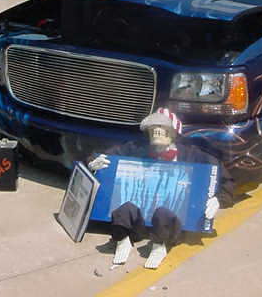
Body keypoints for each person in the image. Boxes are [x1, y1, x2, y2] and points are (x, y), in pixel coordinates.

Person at [88, 108, 234, 269]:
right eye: (152, 129)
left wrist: (218, 199)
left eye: (163, 128)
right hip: (139, 219)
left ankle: (160, 245)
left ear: (174, 133)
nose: (157, 132)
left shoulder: (194, 155)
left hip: (170, 220)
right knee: (124, 210)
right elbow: (102, 156)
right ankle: (123, 240)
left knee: (164, 214)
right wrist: (93, 164)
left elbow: (224, 181)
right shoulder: (136, 148)